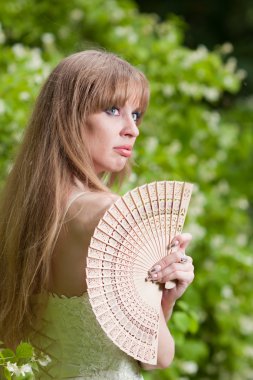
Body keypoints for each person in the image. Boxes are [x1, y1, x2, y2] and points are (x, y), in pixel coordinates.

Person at [0, 50, 194, 379]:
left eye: (136, 114)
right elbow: (157, 356)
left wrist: (160, 299)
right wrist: (165, 301)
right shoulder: (113, 214)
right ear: (68, 117)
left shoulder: (15, 212)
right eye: (113, 110)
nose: (131, 129)